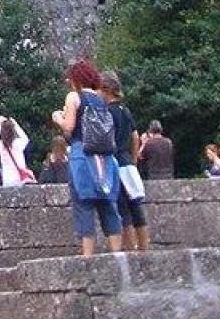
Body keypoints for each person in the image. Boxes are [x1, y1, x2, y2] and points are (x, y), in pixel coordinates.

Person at [52, 58, 122, 256]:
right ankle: (117, 255)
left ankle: (88, 257)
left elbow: (69, 127)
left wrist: (57, 117)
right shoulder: (102, 98)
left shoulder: (74, 97)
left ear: (76, 79)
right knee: (108, 203)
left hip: (82, 154)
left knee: (84, 204)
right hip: (105, 157)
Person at [100, 72, 148, 252]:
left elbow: (105, 138)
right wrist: (133, 158)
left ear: (106, 91)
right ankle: (143, 246)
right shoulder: (125, 110)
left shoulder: (107, 112)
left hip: (114, 161)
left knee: (122, 207)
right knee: (135, 204)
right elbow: (135, 136)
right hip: (127, 161)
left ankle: (130, 247)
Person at [0, 115, 33, 185]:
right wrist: (16, 125)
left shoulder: (1, 145)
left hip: (7, 179)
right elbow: (25, 138)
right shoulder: (18, 143)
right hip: (20, 178)